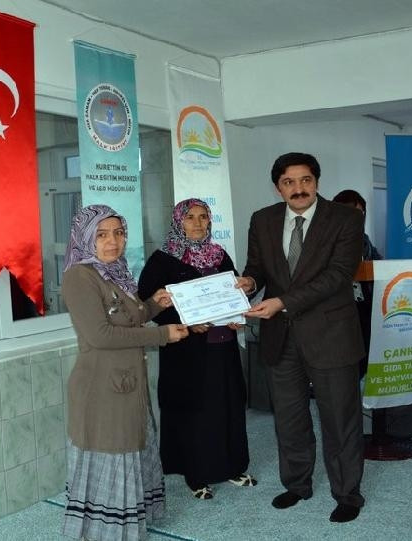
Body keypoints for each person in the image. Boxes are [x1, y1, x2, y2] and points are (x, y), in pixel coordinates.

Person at [237, 152, 366, 523]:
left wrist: (282, 301)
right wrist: (249, 283)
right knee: (289, 417)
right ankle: (297, 484)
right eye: (289, 182)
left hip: (331, 334)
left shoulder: (345, 218)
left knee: (339, 418)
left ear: (316, 181)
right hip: (281, 336)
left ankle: (347, 493)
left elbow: (338, 275)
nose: (298, 189)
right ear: (278, 187)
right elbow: (258, 268)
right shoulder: (262, 219)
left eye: (305, 180)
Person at [61, 204, 188, 541]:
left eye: (118, 233)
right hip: (101, 387)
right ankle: (105, 528)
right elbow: (100, 335)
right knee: (112, 449)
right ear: (85, 238)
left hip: (127, 381)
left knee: (131, 445)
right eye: (102, 235)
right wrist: (162, 335)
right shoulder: (80, 277)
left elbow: (129, 318)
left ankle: (126, 522)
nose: (113, 242)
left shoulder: (115, 272)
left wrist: (154, 305)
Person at [138, 198, 256, 500]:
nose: (197, 223)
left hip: (223, 347)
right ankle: (196, 474)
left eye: (203, 217)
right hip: (186, 352)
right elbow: (149, 303)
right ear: (178, 221)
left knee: (228, 404)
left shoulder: (219, 255)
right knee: (196, 410)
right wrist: (186, 323)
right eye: (190, 217)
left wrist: (238, 315)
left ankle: (232, 466)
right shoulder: (162, 260)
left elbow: (233, 292)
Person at [332, 189, 382, 377]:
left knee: (365, 357)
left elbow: (379, 264)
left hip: (364, 306)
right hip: (339, 310)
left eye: (360, 214)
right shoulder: (326, 242)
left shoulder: (364, 240)